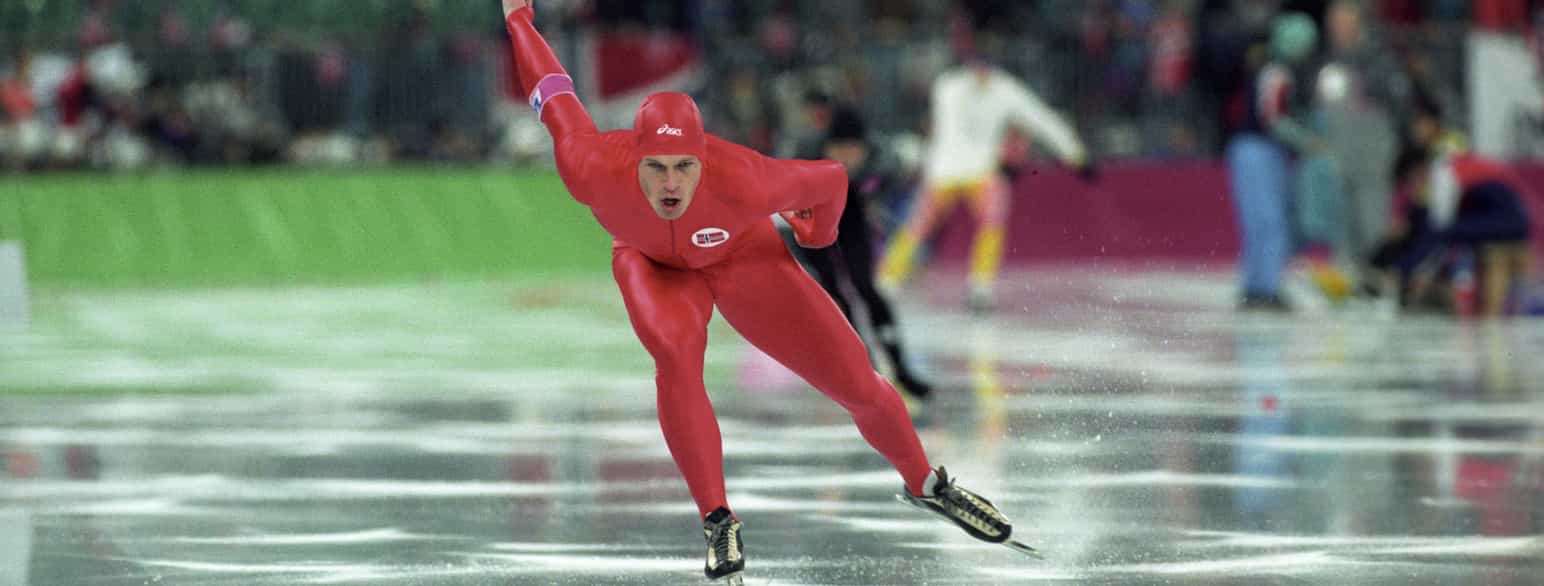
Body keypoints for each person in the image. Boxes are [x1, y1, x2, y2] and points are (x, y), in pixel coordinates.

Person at [497, 1, 1015, 581]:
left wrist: (815, 231)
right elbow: (553, 89)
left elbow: (832, 181)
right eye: (657, 167)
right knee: (676, 354)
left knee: (854, 379)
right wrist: (519, 18)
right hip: (650, 263)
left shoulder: (743, 177)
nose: (671, 184)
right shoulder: (588, 164)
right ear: (633, 159)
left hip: (742, 256)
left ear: (703, 159)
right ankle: (718, 520)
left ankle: (927, 484)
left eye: (685, 167)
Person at [877, 58, 1092, 313]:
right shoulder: (963, 86)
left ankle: (978, 288)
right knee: (920, 227)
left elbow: (1039, 118)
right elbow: (1037, 117)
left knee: (986, 226)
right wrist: (1074, 153)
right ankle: (887, 283)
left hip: (966, 171)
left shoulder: (977, 87)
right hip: (952, 170)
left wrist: (1073, 152)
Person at [790, 106, 934, 400]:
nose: (845, 158)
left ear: (864, 148)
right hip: (810, 216)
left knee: (865, 286)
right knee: (831, 292)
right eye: (837, 150)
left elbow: (899, 179)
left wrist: (873, 200)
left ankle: (899, 366)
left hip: (852, 211)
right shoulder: (805, 155)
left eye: (852, 151)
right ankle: (861, 364)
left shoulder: (881, 161)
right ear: (826, 146)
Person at [1225, 13, 1321, 312]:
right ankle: (1263, 287)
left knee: (1260, 221)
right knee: (1269, 220)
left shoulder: (1270, 69)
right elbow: (1273, 118)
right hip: (1259, 149)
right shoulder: (1277, 72)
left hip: (1257, 149)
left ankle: (1257, 285)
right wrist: (1307, 141)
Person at [1375, 147, 1533, 316]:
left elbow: (1439, 233)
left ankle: (1398, 272)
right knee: (1438, 231)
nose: (1414, 189)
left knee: (1438, 232)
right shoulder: (1452, 167)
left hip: (1506, 224)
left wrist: (1405, 269)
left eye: (1411, 182)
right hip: (1512, 220)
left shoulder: (1443, 174)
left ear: (1417, 170)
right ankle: (1405, 272)